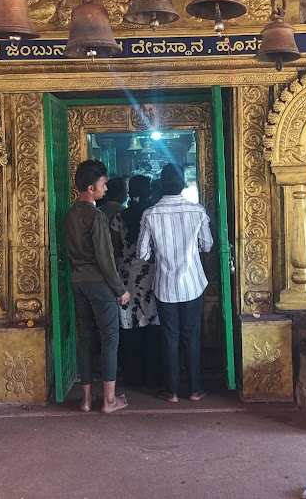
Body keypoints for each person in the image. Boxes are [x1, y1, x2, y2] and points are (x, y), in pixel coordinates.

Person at [137, 163, 213, 403]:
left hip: (165, 286)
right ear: (182, 185)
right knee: (191, 334)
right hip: (192, 284)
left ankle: (171, 391)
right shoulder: (197, 211)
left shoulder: (150, 214)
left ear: (161, 186)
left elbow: (142, 254)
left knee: (169, 336)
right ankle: (195, 389)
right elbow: (208, 245)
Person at [63, 160, 130, 413]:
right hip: (99, 284)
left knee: (85, 339)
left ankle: (87, 400)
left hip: (78, 282)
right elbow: (105, 258)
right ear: (90, 188)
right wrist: (120, 289)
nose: (105, 189)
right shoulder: (97, 216)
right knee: (110, 339)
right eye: (102, 185)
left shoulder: (70, 215)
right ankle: (110, 401)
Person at [110, 175, 162, 388]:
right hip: (150, 276)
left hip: (126, 277)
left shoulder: (119, 218)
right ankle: (153, 376)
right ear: (149, 191)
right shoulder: (152, 216)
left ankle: (132, 377)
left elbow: (113, 250)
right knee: (151, 323)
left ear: (129, 192)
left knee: (129, 325)